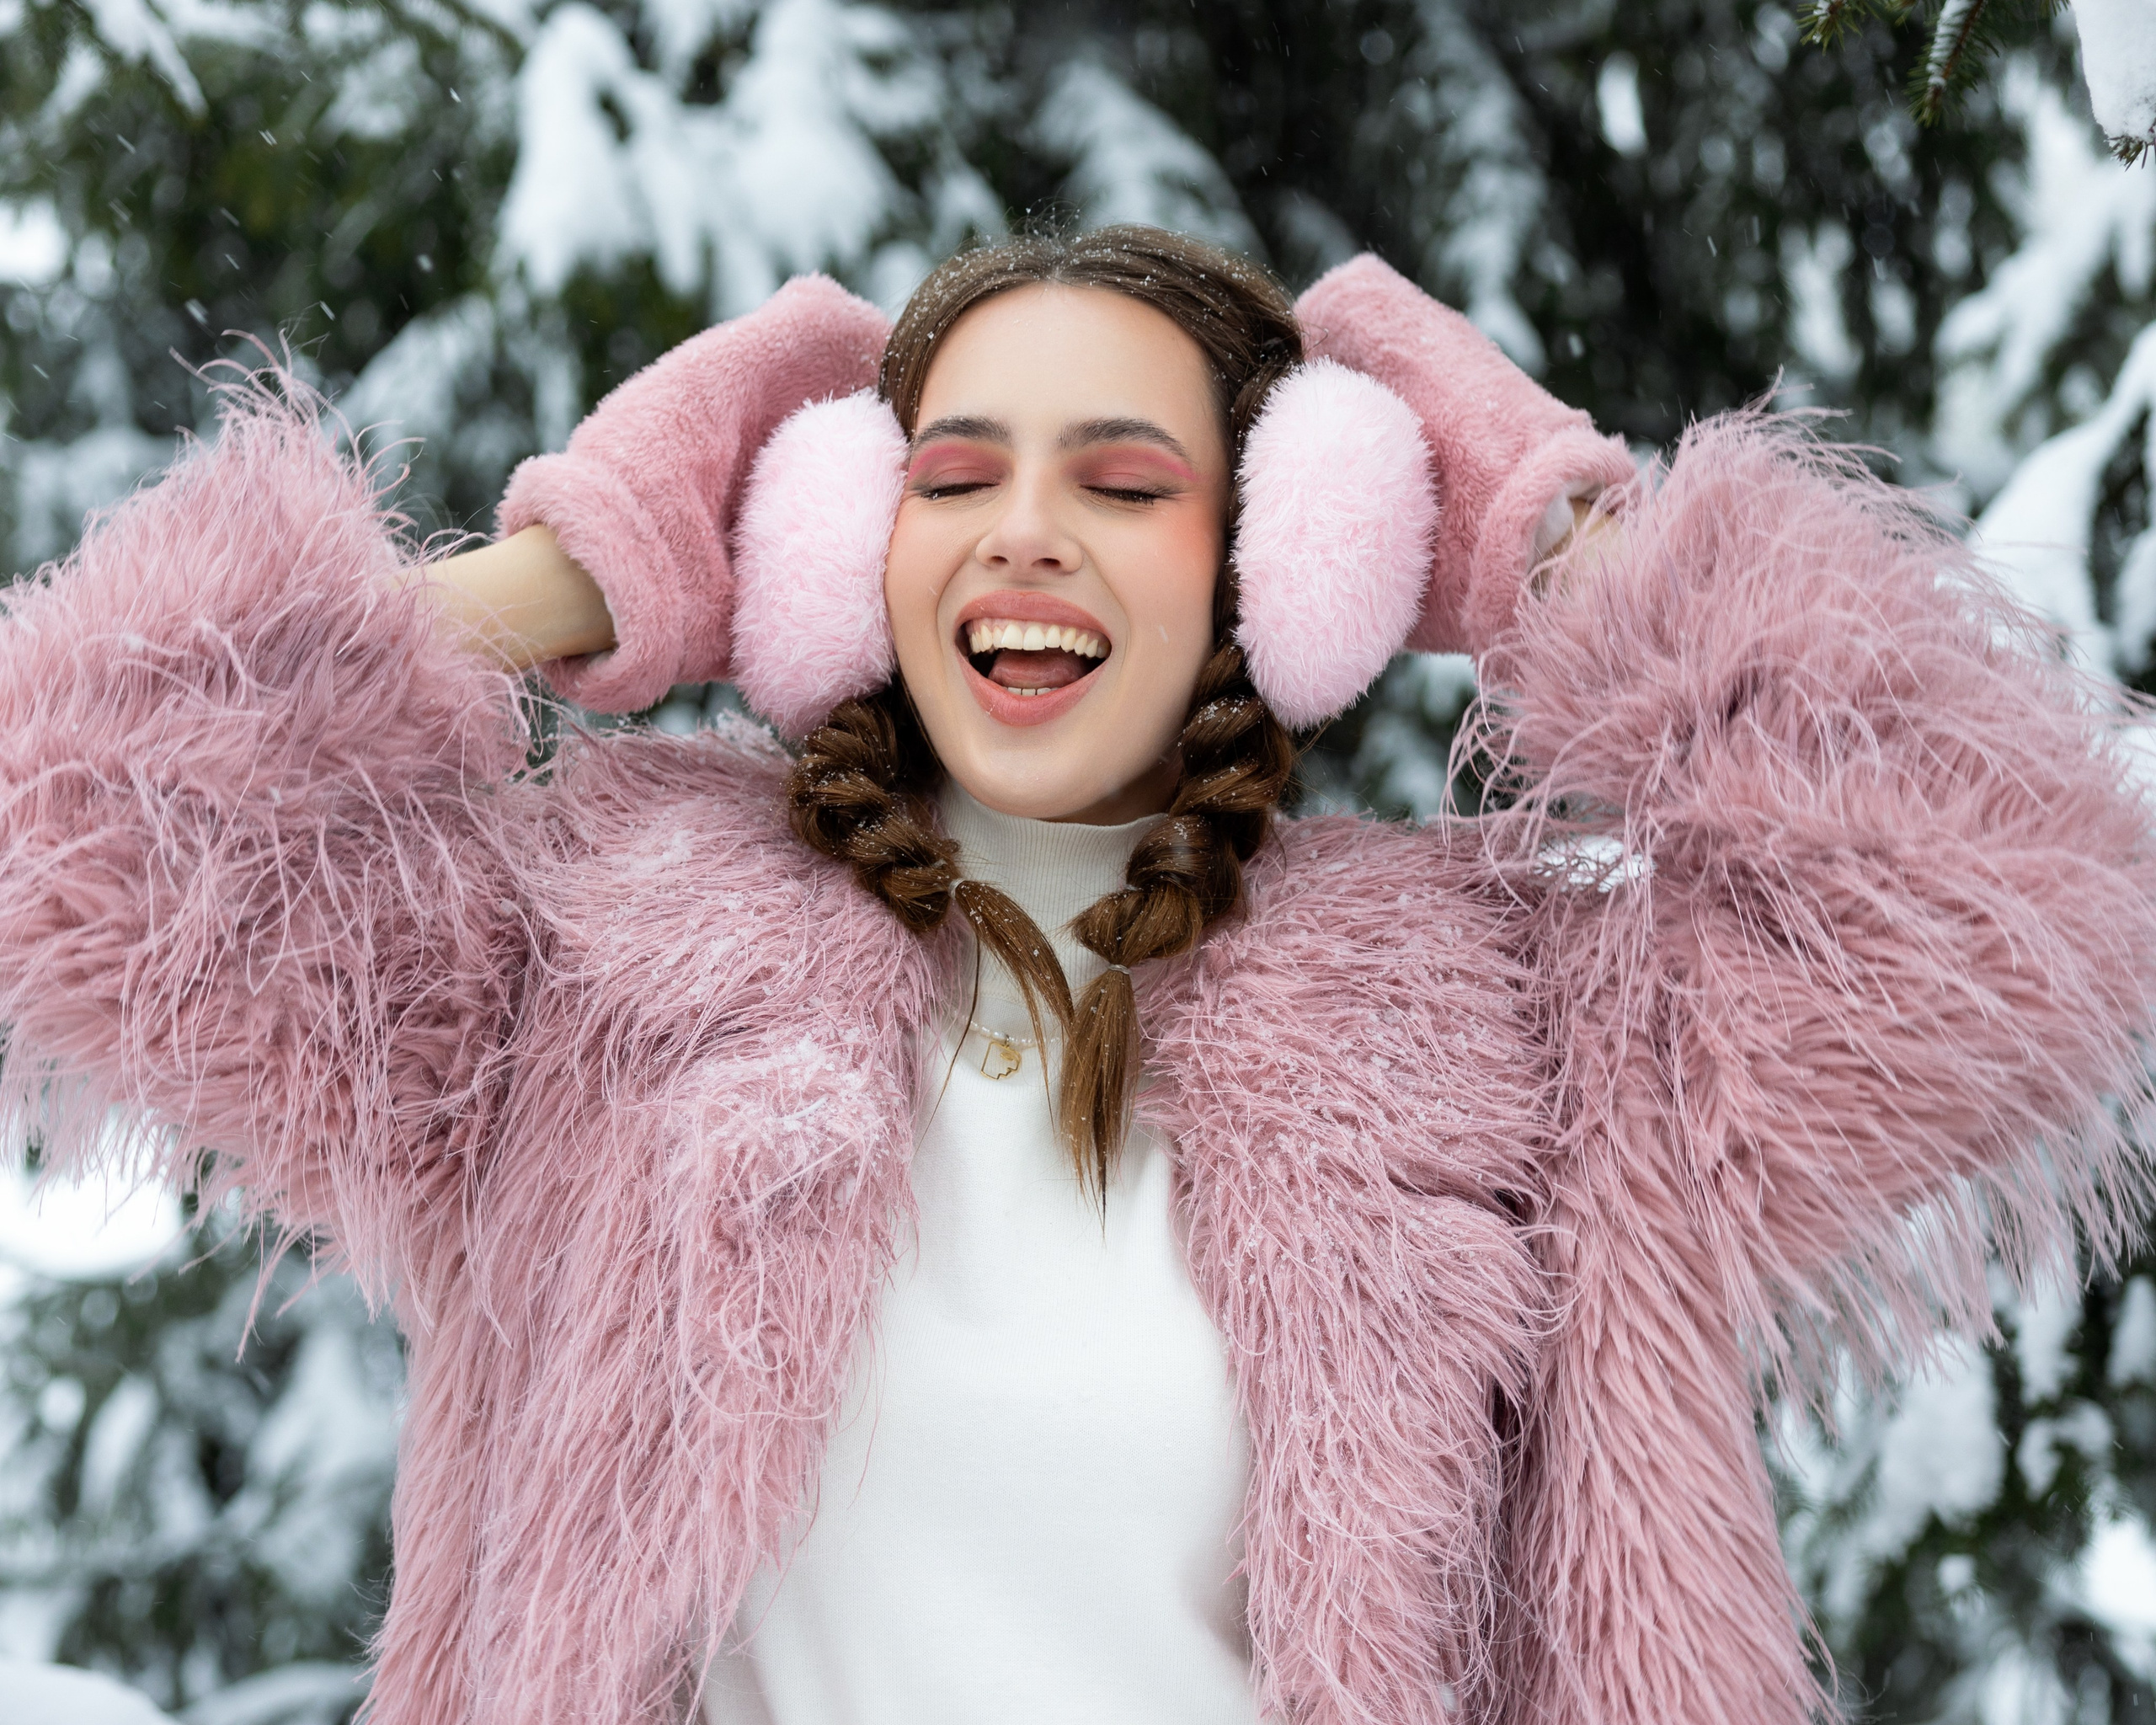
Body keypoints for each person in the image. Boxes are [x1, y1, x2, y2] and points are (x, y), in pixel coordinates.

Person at [2, 225, 2152, 1725]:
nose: (1022, 533)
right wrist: (589, 558)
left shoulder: (1528, 1020)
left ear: (1288, 556)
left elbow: (2014, 900)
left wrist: (1544, 536)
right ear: (849, 548)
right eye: (951, 477)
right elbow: (71, 823)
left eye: (1125, 482)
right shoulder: (577, 971)